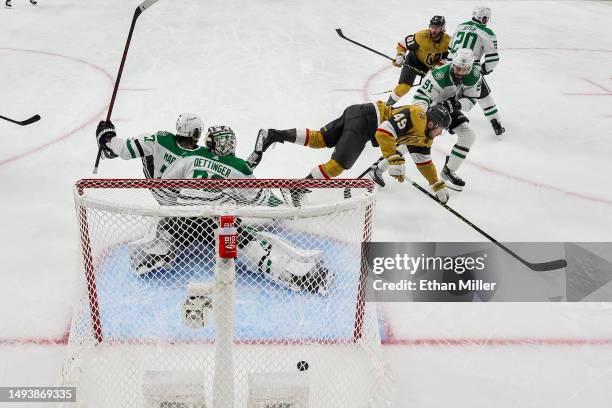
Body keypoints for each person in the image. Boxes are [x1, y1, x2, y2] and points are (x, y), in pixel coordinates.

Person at [128, 126, 332, 295]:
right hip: (215, 225)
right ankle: (303, 277)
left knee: (165, 223)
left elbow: (168, 183)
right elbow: (259, 198)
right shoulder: (240, 167)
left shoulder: (191, 156)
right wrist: (280, 209)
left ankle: (156, 251)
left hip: (182, 218)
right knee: (255, 245)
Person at [247, 102, 452, 203]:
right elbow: (383, 132)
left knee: (321, 139)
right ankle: (297, 189)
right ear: (432, 122)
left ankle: (273, 135)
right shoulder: (417, 115)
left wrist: (436, 183)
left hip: (360, 113)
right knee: (337, 167)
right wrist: (393, 157)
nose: (441, 133)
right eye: (440, 128)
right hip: (366, 122)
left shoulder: (425, 137)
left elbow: (424, 163)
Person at [95, 113, 210, 202]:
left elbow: (126, 152)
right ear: (195, 133)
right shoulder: (203, 153)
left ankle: (109, 145)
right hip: (189, 200)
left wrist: (107, 136)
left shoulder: (161, 140)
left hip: (162, 194)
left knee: (147, 145)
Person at [411, 48, 482, 191]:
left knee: (468, 135)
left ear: (470, 67)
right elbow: (420, 96)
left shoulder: (474, 75)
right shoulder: (438, 74)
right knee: (418, 137)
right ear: (453, 63)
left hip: (449, 107)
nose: (460, 72)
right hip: (430, 107)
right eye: (457, 68)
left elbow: (472, 100)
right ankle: (381, 165)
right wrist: (423, 116)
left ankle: (448, 171)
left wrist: (457, 104)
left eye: (464, 69)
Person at [448, 6, 505, 138]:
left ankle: (444, 121)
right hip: (469, 69)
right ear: (483, 18)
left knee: (447, 97)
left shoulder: (460, 26)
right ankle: (496, 125)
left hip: (451, 67)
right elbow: (493, 57)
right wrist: (485, 69)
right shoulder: (486, 32)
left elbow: (450, 48)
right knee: (483, 96)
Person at [386, 15, 451, 107]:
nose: (433, 30)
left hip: (431, 67)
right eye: (432, 27)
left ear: (443, 28)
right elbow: (403, 43)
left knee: (436, 93)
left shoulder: (448, 42)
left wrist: (436, 69)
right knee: (404, 87)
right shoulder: (422, 36)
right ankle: (387, 106)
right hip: (413, 61)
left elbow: (449, 59)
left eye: (437, 28)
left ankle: (430, 112)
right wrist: (400, 54)